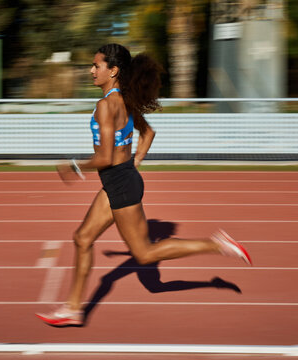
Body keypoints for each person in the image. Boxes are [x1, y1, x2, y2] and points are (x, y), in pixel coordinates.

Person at [36, 43, 252, 327]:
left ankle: (217, 245)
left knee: (145, 254)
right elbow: (148, 133)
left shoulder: (105, 106)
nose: (91, 71)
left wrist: (75, 166)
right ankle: (74, 309)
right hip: (120, 181)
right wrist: (133, 162)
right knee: (83, 238)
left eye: (96, 66)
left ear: (112, 71)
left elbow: (104, 156)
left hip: (121, 186)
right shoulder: (123, 101)